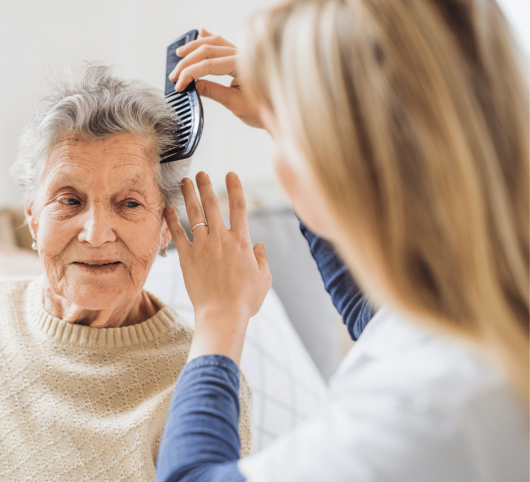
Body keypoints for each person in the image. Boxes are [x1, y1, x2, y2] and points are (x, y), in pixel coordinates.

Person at [155, 0, 529, 480]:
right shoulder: (478, 302)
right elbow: (375, 319)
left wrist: (219, 315)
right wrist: (283, 123)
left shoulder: (428, 413)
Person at [0, 64, 255, 481]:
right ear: (33, 218)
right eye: (70, 200)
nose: (95, 233)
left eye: (129, 203)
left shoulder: (204, 380)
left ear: (165, 227)